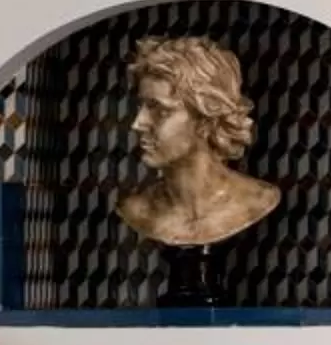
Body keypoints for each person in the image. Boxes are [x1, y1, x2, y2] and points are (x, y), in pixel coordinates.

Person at [113, 35, 282, 248]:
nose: (138, 123)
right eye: (142, 107)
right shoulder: (135, 211)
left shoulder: (257, 201)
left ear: (205, 119)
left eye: (160, 110)